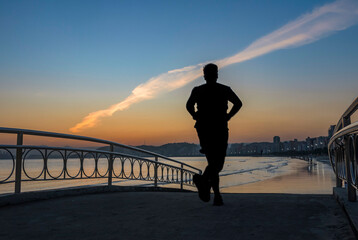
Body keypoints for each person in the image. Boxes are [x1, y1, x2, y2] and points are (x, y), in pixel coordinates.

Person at [186, 63, 242, 206]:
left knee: (213, 162)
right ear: (216, 74)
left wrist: (195, 115)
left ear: (204, 75)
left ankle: (215, 194)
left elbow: (188, 106)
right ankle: (208, 186)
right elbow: (238, 103)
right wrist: (228, 116)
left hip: (204, 129)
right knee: (217, 164)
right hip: (219, 129)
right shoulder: (224, 89)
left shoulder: (198, 90)